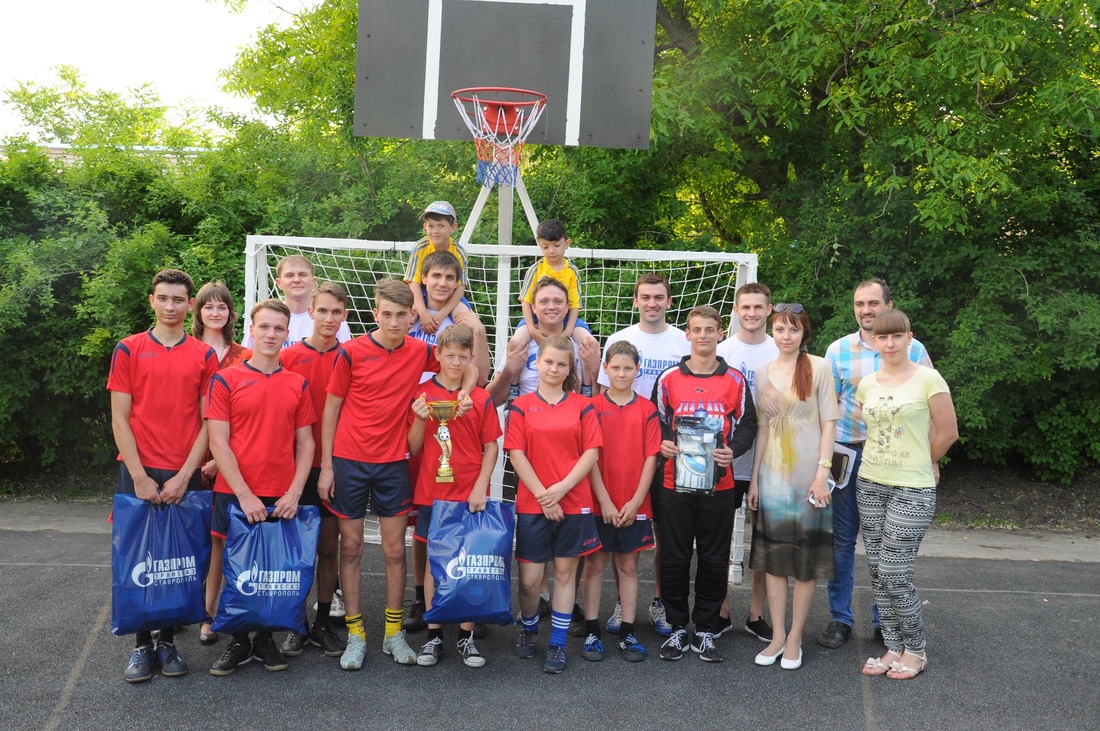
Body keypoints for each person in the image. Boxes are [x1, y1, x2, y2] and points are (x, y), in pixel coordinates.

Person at [318, 279, 477, 670]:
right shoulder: (351, 352)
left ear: (412, 318)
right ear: (376, 314)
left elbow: (466, 361)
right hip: (349, 461)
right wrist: (325, 466)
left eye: (401, 315)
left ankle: (393, 634)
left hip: (393, 462)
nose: (393, 322)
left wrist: (465, 394)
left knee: (393, 551)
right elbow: (331, 409)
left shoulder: (421, 350)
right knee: (352, 549)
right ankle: (357, 635)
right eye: (386, 314)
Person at [108, 268, 218, 683]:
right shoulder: (128, 349)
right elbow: (120, 417)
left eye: (178, 300)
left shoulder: (204, 355)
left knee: (179, 559)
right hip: (138, 468)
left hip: (181, 470)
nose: (170, 306)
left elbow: (209, 420)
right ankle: (141, 646)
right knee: (137, 556)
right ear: (151, 300)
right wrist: (137, 475)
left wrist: (186, 473)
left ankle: (169, 640)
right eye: (163, 298)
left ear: (190, 304)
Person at [818, 278, 934, 650]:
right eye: (859, 304)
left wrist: (931, 459)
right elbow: (826, 412)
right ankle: (841, 618)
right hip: (845, 452)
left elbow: (931, 408)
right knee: (841, 540)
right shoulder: (837, 350)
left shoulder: (914, 349)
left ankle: (886, 621)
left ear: (888, 304)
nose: (866, 310)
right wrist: (823, 464)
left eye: (872, 303)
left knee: (886, 546)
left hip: (897, 458)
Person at [205, 299, 316, 676]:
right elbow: (218, 442)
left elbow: (307, 445)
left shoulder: (297, 383)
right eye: (264, 327)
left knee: (272, 568)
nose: (271, 334)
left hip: (281, 493)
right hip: (236, 492)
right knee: (236, 568)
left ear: (288, 334)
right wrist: (245, 494)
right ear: (251, 329)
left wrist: (295, 492)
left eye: (278, 328)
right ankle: (239, 641)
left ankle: (266, 638)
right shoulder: (227, 378)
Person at [856, 309, 957, 680]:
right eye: (882, 337)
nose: (890, 343)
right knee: (877, 573)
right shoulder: (867, 383)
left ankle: (916, 649)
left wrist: (923, 461)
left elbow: (947, 432)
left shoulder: (929, 379)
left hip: (913, 486)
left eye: (896, 336)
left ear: (909, 338)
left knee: (895, 573)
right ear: (874, 342)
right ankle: (893, 646)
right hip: (870, 481)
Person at [653, 306, 757, 663]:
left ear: (718, 334)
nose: (702, 336)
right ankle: (678, 627)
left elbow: (748, 426)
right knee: (674, 557)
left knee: (714, 559)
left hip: (720, 485)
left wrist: (734, 449)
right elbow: (656, 423)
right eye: (696, 329)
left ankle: (707, 628)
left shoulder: (735, 380)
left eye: (709, 330)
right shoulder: (668, 378)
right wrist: (662, 444)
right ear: (687, 334)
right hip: (674, 483)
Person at [596, 272, 689, 637]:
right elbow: (602, 398)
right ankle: (623, 603)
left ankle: (660, 603)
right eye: (645, 296)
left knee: (665, 537)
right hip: (625, 452)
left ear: (668, 301)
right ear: (636, 301)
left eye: (659, 297)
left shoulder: (682, 341)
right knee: (621, 536)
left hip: (671, 449)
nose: (652, 302)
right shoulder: (620, 340)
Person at [404, 250, 492, 633]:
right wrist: (422, 419)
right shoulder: (408, 313)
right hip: (428, 478)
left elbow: (469, 361)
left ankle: (467, 619)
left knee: (467, 551)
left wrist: (466, 392)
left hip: (466, 477)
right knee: (425, 540)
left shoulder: (462, 316)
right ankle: (429, 612)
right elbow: (414, 443)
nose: (441, 282)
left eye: (448, 277)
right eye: (434, 275)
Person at [747, 303, 838, 671]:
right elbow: (764, 428)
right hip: (772, 478)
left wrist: (822, 473)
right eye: (780, 329)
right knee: (774, 560)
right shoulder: (761, 371)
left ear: (804, 333)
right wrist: (753, 479)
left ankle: (796, 638)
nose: (786, 336)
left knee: (804, 562)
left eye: (793, 330)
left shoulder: (819, 368)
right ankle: (778, 636)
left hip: (808, 479)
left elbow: (829, 424)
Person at [504, 334, 603, 674]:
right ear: (538, 363)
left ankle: (557, 644)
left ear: (569, 368)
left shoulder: (582, 405)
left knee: (564, 575)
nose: (554, 368)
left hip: (573, 502)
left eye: (562, 364)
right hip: (533, 503)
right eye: (548, 362)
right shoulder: (521, 405)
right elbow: (516, 454)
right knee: (531, 582)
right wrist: (545, 496)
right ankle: (529, 627)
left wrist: (560, 489)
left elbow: (591, 452)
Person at [406, 325, 502, 668]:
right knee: (435, 562)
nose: (457, 362)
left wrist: (481, 486)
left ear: (471, 358)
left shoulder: (479, 396)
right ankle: (434, 636)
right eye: (450, 355)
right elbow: (413, 448)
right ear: (438, 356)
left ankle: (466, 636)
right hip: (433, 492)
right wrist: (419, 421)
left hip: (469, 493)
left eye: (463, 356)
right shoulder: (422, 393)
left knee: (468, 563)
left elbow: (491, 447)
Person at [277, 282, 350, 658]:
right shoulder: (289, 357)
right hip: (293, 469)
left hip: (335, 467)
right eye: (323, 311)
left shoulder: (352, 356)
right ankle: (295, 623)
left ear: (345, 316)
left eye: (336, 312)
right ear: (311, 314)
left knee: (326, 547)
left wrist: (333, 465)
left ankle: (322, 622)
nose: (329, 318)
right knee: (295, 549)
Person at [581, 341, 660, 663]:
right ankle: (591, 631)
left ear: (638, 370)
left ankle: (627, 632)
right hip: (601, 503)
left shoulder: (647, 409)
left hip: (634, 504)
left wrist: (636, 501)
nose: (622, 373)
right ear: (605, 369)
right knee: (596, 564)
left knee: (628, 566)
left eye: (628, 368)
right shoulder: (592, 407)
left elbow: (650, 457)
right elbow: (591, 458)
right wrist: (606, 501)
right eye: (615, 368)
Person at [713, 283, 776, 643]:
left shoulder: (780, 349)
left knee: (762, 543)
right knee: (718, 542)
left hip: (767, 465)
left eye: (758, 307)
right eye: (745, 307)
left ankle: (756, 614)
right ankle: (720, 611)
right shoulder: (722, 352)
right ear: (736, 310)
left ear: (768, 310)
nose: (751, 313)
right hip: (724, 462)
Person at [190, 281, 252, 646]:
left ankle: (215, 614)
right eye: (208, 306)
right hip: (192, 454)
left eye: (222, 307)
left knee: (224, 540)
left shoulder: (244, 355)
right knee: (190, 536)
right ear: (197, 312)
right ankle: (187, 606)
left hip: (231, 457)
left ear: (231, 313)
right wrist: (199, 458)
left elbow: (247, 419)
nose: (215, 312)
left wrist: (222, 459)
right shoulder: (187, 351)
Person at [507, 219, 598, 394]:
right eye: (545, 246)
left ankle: (586, 388)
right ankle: (514, 388)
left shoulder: (572, 271)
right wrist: (532, 329)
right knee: (517, 342)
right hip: (535, 317)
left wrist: (567, 331)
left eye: (556, 245)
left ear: (567, 243)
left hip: (567, 318)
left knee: (589, 343)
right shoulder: (535, 269)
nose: (551, 251)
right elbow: (526, 301)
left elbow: (574, 305)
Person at [242, 255, 352, 349]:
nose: (296, 280)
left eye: (302, 275)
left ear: (313, 281)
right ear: (279, 283)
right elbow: (248, 357)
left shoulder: (331, 319)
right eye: (289, 275)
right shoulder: (264, 317)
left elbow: (345, 356)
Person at [403, 201, 477, 335]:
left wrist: (441, 315)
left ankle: (462, 351)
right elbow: (413, 283)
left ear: (453, 227)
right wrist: (423, 313)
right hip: (421, 292)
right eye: (431, 226)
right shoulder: (420, 247)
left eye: (441, 226)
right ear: (425, 226)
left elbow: (460, 288)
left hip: (450, 293)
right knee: (407, 315)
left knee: (466, 320)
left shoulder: (459, 253)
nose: (435, 231)